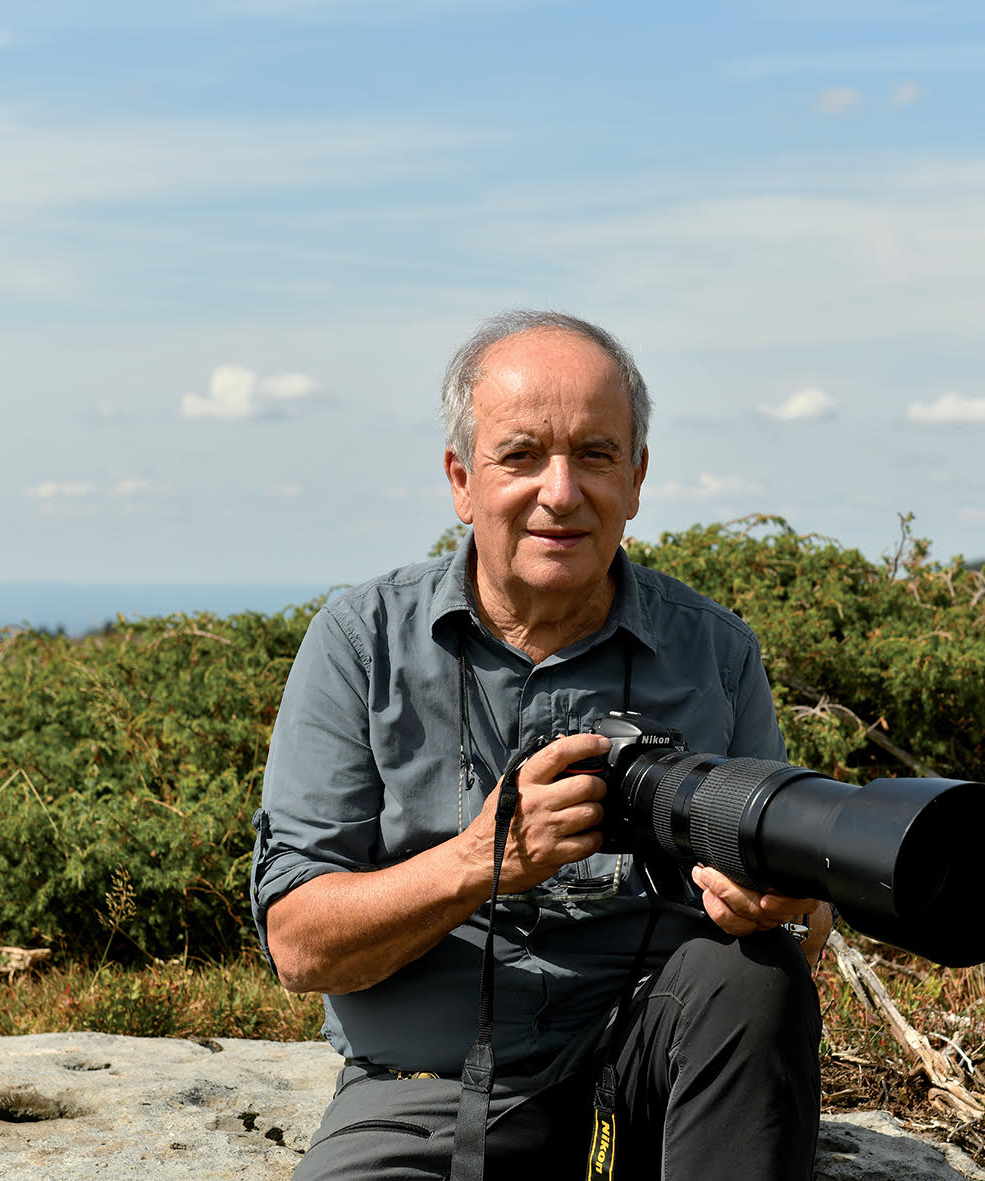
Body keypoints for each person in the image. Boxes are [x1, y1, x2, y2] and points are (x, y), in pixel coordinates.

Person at [250, 310, 832, 1179]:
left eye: (596, 455)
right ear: (461, 479)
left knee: (757, 971)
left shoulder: (713, 652)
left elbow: (803, 922)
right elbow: (298, 944)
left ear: (636, 479)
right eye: (521, 455)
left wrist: (788, 909)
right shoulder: (362, 641)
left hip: (657, 1088)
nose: (561, 492)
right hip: (422, 1096)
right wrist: (481, 860)